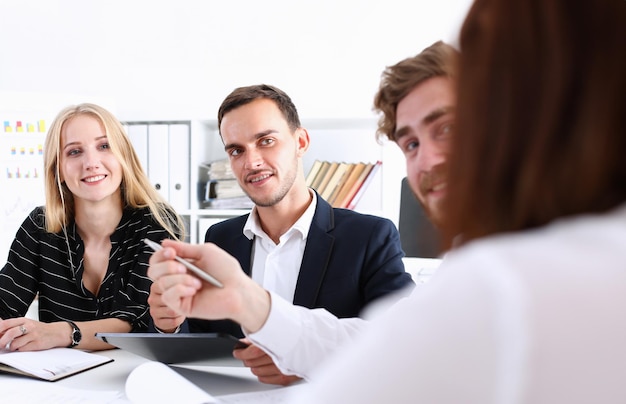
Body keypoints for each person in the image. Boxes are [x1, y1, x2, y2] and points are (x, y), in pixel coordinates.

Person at [151, 0, 626, 400]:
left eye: (449, 128)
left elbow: (390, 350)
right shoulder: (220, 238)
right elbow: (392, 344)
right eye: (410, 143)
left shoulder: (496, 276)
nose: (426, 160)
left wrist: (291, 349)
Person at [148, 84, 414, 385]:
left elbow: (401, 342)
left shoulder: (370, 236)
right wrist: (170, 324)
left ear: (300, 142)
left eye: (266, 141)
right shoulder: (220, 238)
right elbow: (201, 340)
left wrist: (308, 364)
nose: (251, 162)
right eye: (237, 150)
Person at [0, 103, 185, 352]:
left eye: (104, 146)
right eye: (74, 152)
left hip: (132, 376)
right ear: (59, 170)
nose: (91, 162)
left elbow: (137, 323)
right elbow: (5, 303)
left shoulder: (157, 223)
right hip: (58, 383)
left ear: (124, 157)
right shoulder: (39, 226)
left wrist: (61, 332)